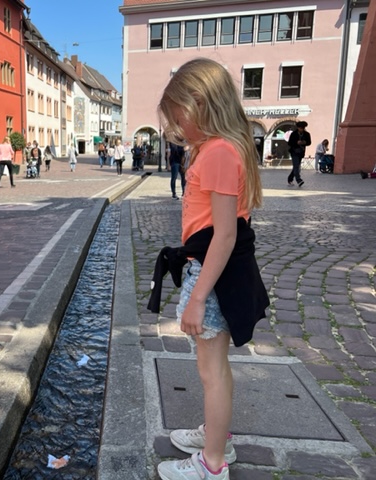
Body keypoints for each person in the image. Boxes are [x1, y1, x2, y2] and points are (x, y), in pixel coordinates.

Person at [150, 57, 268, 480]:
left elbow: (226, 234)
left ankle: (212, 465)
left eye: (180, 116)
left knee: (211, 371)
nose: (177, 127)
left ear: (199, 102)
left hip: (210, 274)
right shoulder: (223, 147)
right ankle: (218, 439)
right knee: (215, 369)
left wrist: (197, 298)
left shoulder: (218, 152)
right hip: (211, 270)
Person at [287, 121, 311, 187]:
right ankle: (299, 180)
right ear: (298, 128)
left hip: (301, 152)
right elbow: (289, 143)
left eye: (302, 128)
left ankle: (290, 179)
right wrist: (296, 142)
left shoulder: (307, 134)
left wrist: (304, 142)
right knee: (296, 166)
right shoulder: (293, 134)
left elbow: (309, 142)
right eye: (300, 128)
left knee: (296, 166)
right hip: (294, 151)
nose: (301, 129)